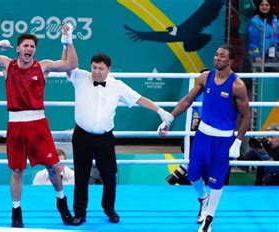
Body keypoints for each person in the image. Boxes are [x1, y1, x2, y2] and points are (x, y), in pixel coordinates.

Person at [0, 23, 78, 227]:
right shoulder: (7, 64)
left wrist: (69, 39)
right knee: (17, 171)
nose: (29, 49)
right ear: (18, 48)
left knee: (53, 167)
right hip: (16, 124)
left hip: (38, 123)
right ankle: (16, 211)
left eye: (32, 46)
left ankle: (62, 203)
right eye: (26, 46)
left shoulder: (43, 65)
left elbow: (71, 64)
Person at [62, 52, 174, 225]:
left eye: (101, 68)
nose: (97, 72)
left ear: (109, 69)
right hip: (82, 136)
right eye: (94, 67)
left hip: (105, 138)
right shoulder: (80, 77)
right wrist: (66, 41)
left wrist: (160, 111)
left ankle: (109, 208)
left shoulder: (117, 85)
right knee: (81, 176)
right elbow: (67, 64)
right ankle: (80, 213)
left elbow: (139, 99)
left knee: (109, 176)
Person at [158, 44, 250, 232]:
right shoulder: (205, 77)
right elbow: (187, 100)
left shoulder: (237, 85)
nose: (217, 58)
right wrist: (169, 118)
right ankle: (203, 199)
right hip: (202, 135)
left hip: (223, 140)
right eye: (216, 54)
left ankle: (209, 219)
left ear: (231, 61)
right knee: (192, 174)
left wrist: (238, 141)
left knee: (216, 180)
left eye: (222, 56)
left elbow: (247, 115)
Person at [247, 0, 278, 66]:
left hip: (272, 52)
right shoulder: (254, 21)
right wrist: (257, 55)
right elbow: (253, 41)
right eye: (262, 5)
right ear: (258, 6)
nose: (264, 7)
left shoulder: (274, 19)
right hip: (259, 54)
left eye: (267, 5)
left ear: (270, 7)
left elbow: (277, 36)